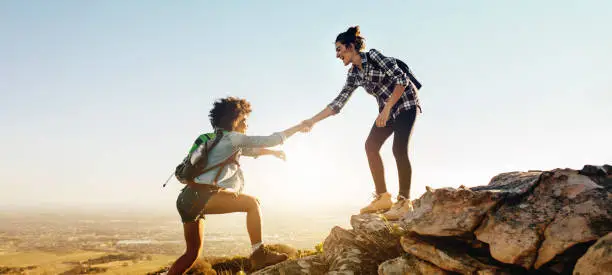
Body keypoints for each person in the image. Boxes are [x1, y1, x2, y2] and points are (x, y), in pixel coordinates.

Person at [168, 96, 306, 274]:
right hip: (201, 197)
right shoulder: (233, 138)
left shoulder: (216, 139)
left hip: (186, 198)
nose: (247, 125)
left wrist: (273, 153)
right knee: (252, 203)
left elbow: (251, 150)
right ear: (235, 120)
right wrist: (299, 127)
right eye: (245, 120)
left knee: (192, 254)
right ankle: (259, 254)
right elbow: (271, 139)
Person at [301, 26, 422, 220]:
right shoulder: (353, 75)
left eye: (339, 49)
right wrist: (312, 121)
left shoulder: (374, 56)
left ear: (350, 47)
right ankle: (383, 197)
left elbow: (402, 79)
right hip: (387, 111)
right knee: (370, 146)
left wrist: (387, 107)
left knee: (399, 149)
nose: (337, 55)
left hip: (405, 104)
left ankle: (403, 201)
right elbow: (337, 104)